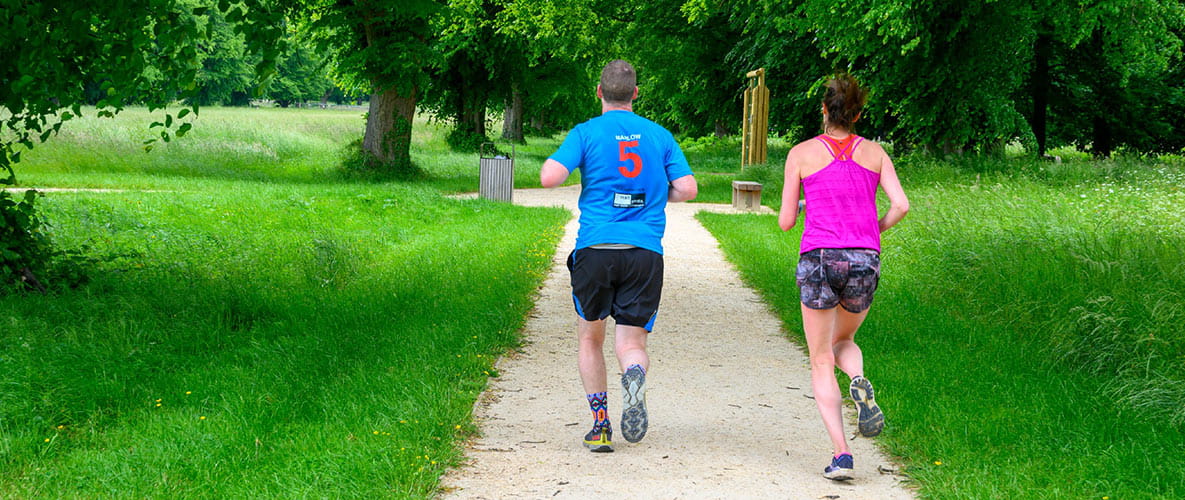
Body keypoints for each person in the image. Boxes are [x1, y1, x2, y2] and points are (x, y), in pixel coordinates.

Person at [540, 59, 697, 453]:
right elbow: (689, 189)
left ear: (599, 92)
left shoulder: (586, 132)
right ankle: (634, 374)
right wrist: (658, 195)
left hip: (595, 250)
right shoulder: (659, 135)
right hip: (644, 252)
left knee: (590, 339)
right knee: (631, 342)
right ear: (635, 94)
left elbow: (549, 178)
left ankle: (600, 425)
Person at [777, 74, 909, 480]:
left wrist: (801, 205)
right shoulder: (876, 153)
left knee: (820, 357)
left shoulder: (800, 153)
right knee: (844, 340)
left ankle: (842, 454)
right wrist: (873, 230)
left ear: (824, 110)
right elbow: (901, 205)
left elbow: (784, 223)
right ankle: (858, 378)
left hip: (819, 257)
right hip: (864, 258)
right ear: (857, 114)